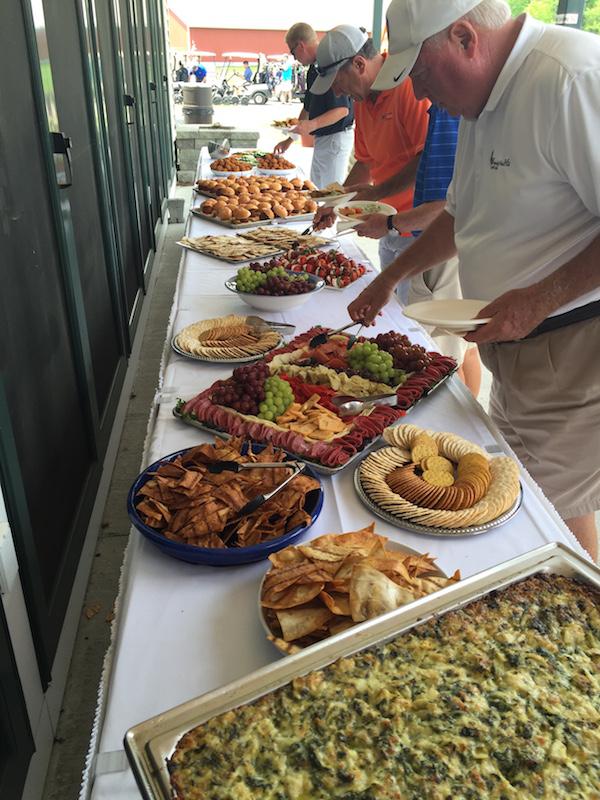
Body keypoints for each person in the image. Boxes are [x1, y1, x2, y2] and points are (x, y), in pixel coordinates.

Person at [348, 0, 600, 560]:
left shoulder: (571, 77)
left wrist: (537, 300)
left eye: (421, 71)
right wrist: (390, 278)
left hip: (571, 350)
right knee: (527, 502)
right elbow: (460, 218)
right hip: (515, 350)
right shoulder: (480, 104)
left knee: (546, 515)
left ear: (465, 38)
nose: (417, 92)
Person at [352, 103, 481, 395]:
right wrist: (377, 192)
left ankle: (458, 419)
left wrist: (391, 224)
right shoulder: (443, 108)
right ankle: (470, 414)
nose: (418, 93)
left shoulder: (449, 111)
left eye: (418, 79)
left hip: (442, 249)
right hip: (448, 244)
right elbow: (423, 163)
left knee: (441, 355)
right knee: (462, 344)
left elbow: (449, 207)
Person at [310, 26, 430, 302]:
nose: (336, 91)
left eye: (336, 82)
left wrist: (377, 193)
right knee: (389, 307)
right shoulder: (363, 100)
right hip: (387, 226)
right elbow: (365, 163)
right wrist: (336, 202)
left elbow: (426, 159)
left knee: (411, 317)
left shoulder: (407, 87)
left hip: (419, 230)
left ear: (359, 64)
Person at [274, 22, 354, 188]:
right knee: (317, 187)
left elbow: (342, 110)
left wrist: (312, 125)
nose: (294, 57)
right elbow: (308, 107)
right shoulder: (313, 68)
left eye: (292, 52)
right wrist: (290, 139)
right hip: (323, 139)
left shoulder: (329, 64)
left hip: (335, 138)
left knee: (328, 192)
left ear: (300, 46)